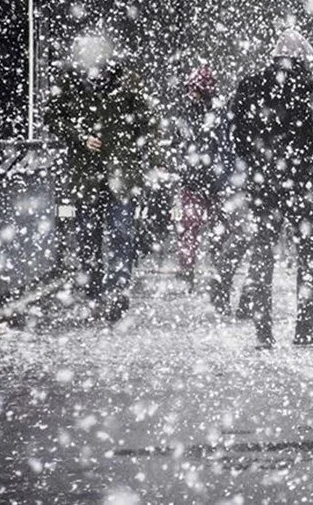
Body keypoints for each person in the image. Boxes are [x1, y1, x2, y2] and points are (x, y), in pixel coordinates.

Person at [216, 29, 313, 348]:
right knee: (307, 253)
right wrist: (307, 166)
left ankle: (263, 330)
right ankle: (304, 326)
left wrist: (256, 163)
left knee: (262, 250)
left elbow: (236, 129)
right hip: (302, 183)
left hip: (264, 182)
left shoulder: (252, 85)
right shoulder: (312, 86)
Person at [45, 35, 159, 321]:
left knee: (119, 233)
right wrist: (80, 137)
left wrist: (133, 146)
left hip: (118, 172)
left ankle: (116, 291)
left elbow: (148, 120)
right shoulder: (70, 84)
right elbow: (52, 117)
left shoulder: (126, 83)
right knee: (90, 236)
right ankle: (97, 290)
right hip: (90, 174)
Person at [173, 64, 227, 289]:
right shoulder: (215, 112)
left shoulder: (198, 113)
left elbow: (180, 143)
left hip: (202, 179)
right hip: (203, 179)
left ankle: (194, 269)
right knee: (196, 227)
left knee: (193, 227)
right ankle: (200, 268)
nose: (190, 94)